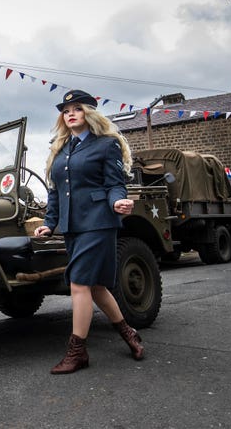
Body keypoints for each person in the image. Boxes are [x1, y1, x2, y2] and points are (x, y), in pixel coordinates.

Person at [34, 89, 144, 374]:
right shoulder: (60, 149)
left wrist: (117, 200)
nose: (70, 113)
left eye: (77, 108)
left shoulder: (106, 145)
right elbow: (56, 192)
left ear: (89, 113)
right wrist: (49, 222)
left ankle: (77, 351)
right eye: (66, 110)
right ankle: (128, 333)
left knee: (79, 283)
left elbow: (114, 183)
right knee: (95, 287)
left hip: (98, 222)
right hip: (72, 226)